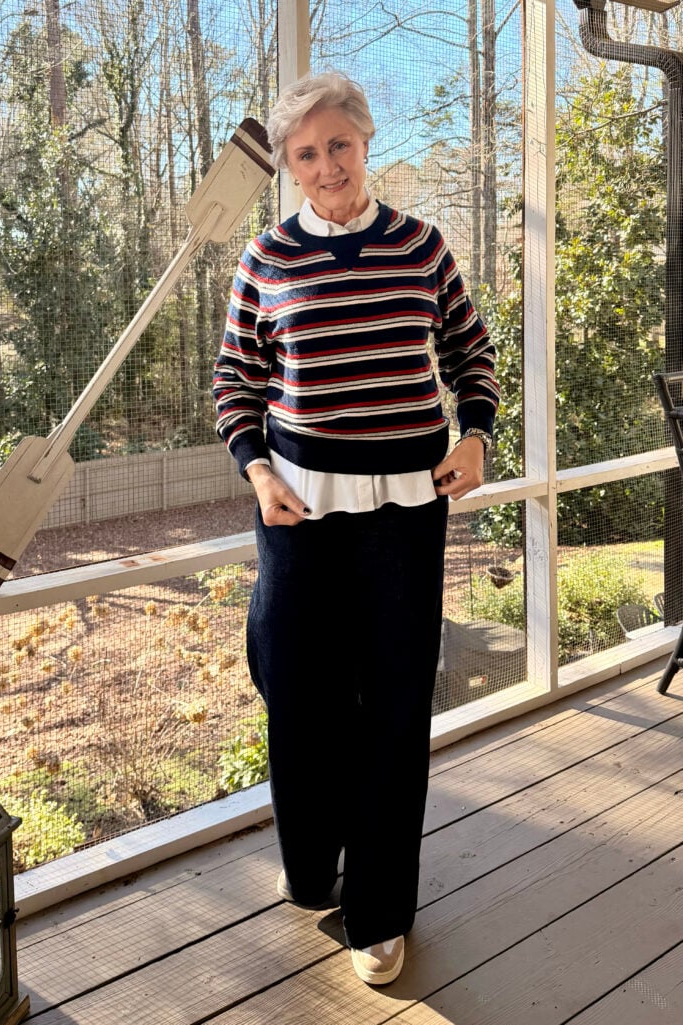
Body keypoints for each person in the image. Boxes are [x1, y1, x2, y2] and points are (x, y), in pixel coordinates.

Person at [212, 69, 499, 986]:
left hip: (403, 518)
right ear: (288, 167)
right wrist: (255, 469)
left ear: (366, 144)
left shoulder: (422, 246)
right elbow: (234, 385)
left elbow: (471, 353)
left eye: (339, 144)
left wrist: (479, 433)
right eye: (306, 152)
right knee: (296, 689)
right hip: (297, 514)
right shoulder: (264, 259)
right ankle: (311, 869)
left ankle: (379, 908)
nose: (326, 164)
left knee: (391, 709)